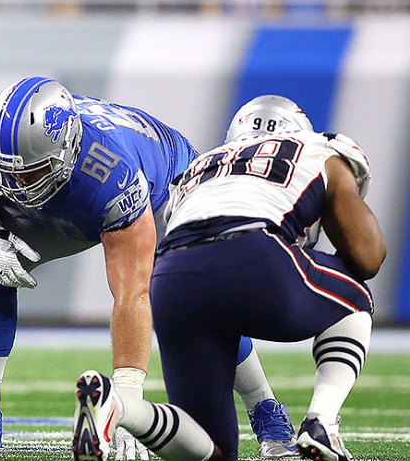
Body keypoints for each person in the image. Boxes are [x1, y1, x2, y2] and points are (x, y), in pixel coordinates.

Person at [0, 77, 296, 458]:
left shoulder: (111, 174)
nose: (18, 184)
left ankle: (267, 411)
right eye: (9, 172)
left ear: (66, 147)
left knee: (197, 301)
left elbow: (132, 293)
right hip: (76, 189)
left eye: (31, 172)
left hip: (166, 186)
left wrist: (127, 400)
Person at [73, 95, 385, 461]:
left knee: (212, 448)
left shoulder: (201, 166)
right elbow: (369, 257)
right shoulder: (318, 148)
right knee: (355, 296)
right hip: (255, 255)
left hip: (173, 277)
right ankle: (322, 421)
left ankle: (119, 406)